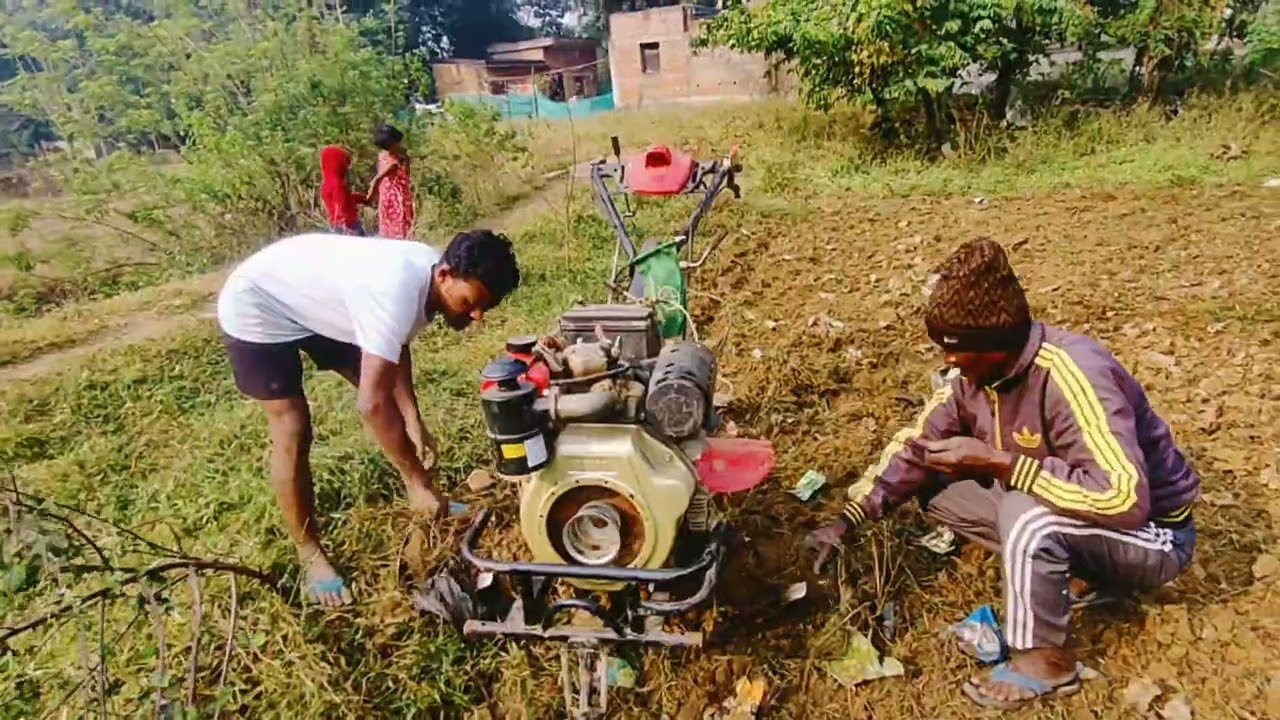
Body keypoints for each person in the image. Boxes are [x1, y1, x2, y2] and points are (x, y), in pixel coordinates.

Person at [804, 238, 1199, 710]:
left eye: (957, 350)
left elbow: (1123, 499)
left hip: (1153, 535)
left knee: (1025, 511)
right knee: (937, 481)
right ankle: (1073, 570)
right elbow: (915, 445)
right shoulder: (971, 380)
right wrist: (847, 520)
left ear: (997, 345)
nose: (948, 361)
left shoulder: (1072, 374)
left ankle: (1047, 662)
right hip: (1076, 516)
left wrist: (1003, 464)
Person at [216, 230, 520, 606]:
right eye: (471, 302)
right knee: (293, 427)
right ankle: (310, 553)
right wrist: (413, 478)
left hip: (320, 300)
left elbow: (396, 344)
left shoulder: (427, 277)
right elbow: (371, 404)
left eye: (484, 307)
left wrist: (413, 419)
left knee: (386, 401)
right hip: (260, 305)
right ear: (445, 275)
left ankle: (425, 496)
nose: (476, 316)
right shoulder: (394, 292)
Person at [367, 123, 415, 239]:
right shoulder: (387, 157)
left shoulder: (400, 157)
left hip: (398, 196)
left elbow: (379, 178)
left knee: (399, 225)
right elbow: (378, 177)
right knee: (389, 225)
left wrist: (372, 193)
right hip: (388, 196)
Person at [319, 145, 369, 236]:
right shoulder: (338, 185)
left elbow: (345, 199)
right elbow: (341, 207)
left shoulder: (326, 184)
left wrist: (361, 198)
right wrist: (346, 228)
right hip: (349, 225)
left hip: (335, 225)